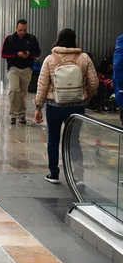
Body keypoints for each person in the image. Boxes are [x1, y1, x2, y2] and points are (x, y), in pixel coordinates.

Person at [34, 28, 98, 184]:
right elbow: (94, 82)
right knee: (74, 139)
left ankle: (54, 173)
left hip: (54, 106)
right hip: (77, 106)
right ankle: (78, 177)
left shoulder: (50, 59)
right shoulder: (84, 58)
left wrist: (38, 107)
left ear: (58, 39)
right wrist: (86, 96)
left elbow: (42, 85)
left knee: (53, 139)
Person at [1, 19, 41, 125]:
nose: (22, 32)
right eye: (20, 30)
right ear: (16, 28)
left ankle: (22, 115)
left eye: (24, 30)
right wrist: (16, 54)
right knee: (14, 89)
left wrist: (29, 54)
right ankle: (13, 115)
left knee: (23, 93)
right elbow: (3, 54)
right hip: (13, 68)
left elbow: (38, 52)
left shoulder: (31, 39)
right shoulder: (9, 39)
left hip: (27, 68)